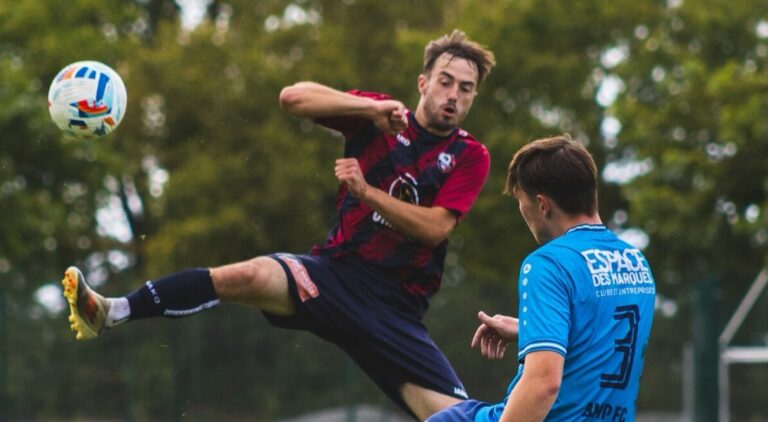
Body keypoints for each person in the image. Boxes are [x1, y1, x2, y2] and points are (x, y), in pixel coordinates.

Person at [61, 29, 495, 420]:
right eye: (445, 81)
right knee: (247, 274)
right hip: (332, 276)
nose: (453, 94)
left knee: (456, 418)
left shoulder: (469, 156)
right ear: (423, 83)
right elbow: (292, 98)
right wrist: (368, 107)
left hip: (396, 310)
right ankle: (112, 312)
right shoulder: (376, 114)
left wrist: (366, 193)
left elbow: (436, 229)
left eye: (466, 88)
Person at [429, 135, 656, 422]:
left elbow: (544, 385)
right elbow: (599, 343)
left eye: (521, 201)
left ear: (542, 205)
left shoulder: (549, 263)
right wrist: (530, 329)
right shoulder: (636, 262)